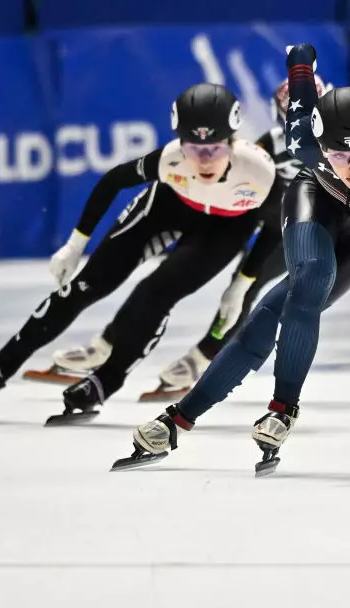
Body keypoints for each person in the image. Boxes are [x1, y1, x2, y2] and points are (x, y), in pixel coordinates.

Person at [118, 42, 350, 474]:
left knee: (272, 311)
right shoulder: (303, 140)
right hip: (316, 201)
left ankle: (186, 418)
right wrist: (302, 57)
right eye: (340, 154)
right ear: (320, 145)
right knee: (311, 277)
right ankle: (267, 410)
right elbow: (301, 75)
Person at [0, 84, 280, 420]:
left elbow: (274, 229)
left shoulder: (261, 173)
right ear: (180, 140)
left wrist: (242, 282)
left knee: (154, 294)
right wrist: (76, 245)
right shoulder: (170, 160)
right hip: (167, 208)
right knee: (84, 286)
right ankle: (2, 363)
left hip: (223, 231)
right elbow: (112, 181)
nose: (204, 159)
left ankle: (106, 381)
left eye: (215, 148)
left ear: (233, 141)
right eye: (194, 147)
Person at [29, 76, 331, 404]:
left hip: (308, 232)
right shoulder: (268, 146)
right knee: (167, 287)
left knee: (246, 287)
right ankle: (106, 345)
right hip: (272, 224)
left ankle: (202, 357)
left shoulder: (342, 143)